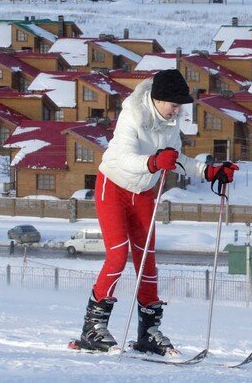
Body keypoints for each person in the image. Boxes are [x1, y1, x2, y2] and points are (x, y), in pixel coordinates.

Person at [76, 69, 238, 354]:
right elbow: (120, 157)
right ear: (157, 99)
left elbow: (175, 160)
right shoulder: (133, 116)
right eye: (173, 104)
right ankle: (93, 328)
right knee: (117, 256)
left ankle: (148, 332)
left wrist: (209, 170)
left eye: (180, 106)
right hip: (112, 187)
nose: (177, 110)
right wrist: (153, 162)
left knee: (147, 261)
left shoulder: (170, 125)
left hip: (143, 193)